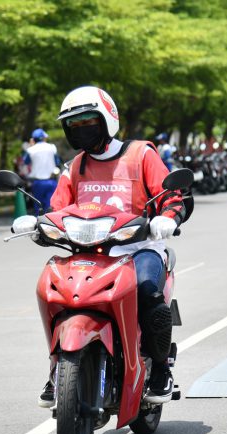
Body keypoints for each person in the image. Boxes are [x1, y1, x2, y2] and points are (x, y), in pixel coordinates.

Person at [12, 85, 188, 406]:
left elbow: (172, 196)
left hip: (138, 249)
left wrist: (168, 217)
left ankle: (160, 368)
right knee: (52, 291)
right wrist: (37, 224)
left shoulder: (141, 155)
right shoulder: (74, 167)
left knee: (149, 293)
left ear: (107, 119)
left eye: (88, 122)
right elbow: (57, 210)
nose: (82, 131)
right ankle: (58, 365)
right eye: (74, 126)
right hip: (88, 251)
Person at [23, 128, 60, 213]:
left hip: (37, 182)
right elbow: (57, 162)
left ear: (33, 139)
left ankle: (39, 225)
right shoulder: (52, 147)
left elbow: (26, 162)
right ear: (43, 138)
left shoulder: (30, 150)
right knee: (51, 207)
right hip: (51, 181)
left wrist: (31, 146)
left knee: (38, 207)